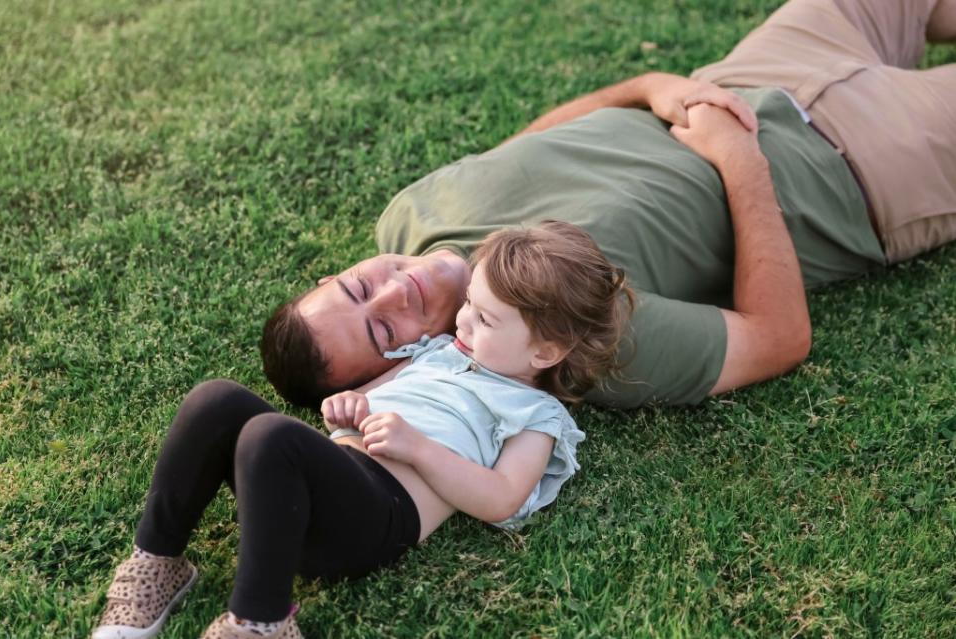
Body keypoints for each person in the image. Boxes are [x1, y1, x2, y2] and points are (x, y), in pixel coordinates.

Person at [260, 0, 956, 411]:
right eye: (383, 333)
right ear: (405, 368)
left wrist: (647, 85)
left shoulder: (406, 214)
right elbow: (778, 340)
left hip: (748, 77)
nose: (391, 292)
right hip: (861, 171)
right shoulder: (560, 339)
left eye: (356, 287)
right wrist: (740, 164)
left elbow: (535, 144)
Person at [91, 222, 633, 639]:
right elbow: (372, 398)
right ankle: (157, 562)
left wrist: (417, 449)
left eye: (485, 320)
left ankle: (261, 622)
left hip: (380, 517)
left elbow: (501, 501)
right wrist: (349, 408)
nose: (462, 321)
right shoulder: (441, 349)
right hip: (321, 487)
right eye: (468, 305)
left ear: (545, 351)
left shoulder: (537, 416)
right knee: (217, 400)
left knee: (270, 437)